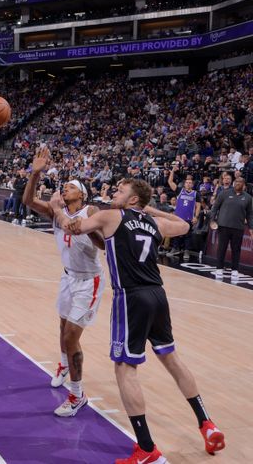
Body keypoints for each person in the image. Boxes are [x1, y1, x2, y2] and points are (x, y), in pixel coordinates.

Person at [51, 179, 225, 463]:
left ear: (132, 200)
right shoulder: (153, 224)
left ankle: (146, 449)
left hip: (130, 298)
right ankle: (207, 423)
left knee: (124, 368)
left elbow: (74, 227)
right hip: (158, 295)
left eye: (120, 191)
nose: (113, 193)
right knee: (171, 358)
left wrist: (58, 209)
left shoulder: (111, 216)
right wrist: (150, 211)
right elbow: (183, 224)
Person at [22, 147, 105, 417]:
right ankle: (63, 364)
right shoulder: (55, 210)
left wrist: (64, 214)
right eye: (64, 186)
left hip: (88, 280)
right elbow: (28, 200)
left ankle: (77, 395)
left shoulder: (90, 210)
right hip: (67, 276)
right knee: (62, 325)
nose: (64, 188)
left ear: (81, 194)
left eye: (70, 187)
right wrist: (35, 173)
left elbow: (97, 241)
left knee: (71, 335)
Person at [209, 175, 253, 281]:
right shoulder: (224, 193)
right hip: (223, 226)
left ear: (243, 185)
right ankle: (219, 268)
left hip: (238, 227)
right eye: (236, 181)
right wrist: (212, 219)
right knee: (221, 248)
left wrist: (251, 228)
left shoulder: (248, 198)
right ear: (234, 183)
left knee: (236, 250)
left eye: (240, 182)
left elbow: (250, 215)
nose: (237, 183)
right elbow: (215, 207)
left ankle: (235, 270)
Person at [167, 167, 200, 258]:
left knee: (187, 235)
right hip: (178, 217)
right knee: (176, 234)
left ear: (192, 185)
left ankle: (186, 251)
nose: (188, 184)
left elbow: (198, 206)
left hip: (189, 217)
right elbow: (170, 182)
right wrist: (172, 171)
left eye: (190, 183)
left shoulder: (196, 194)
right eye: (187, 182)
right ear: (184, 184)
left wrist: (196, 216)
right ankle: (175, 248)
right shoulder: (179, 191)